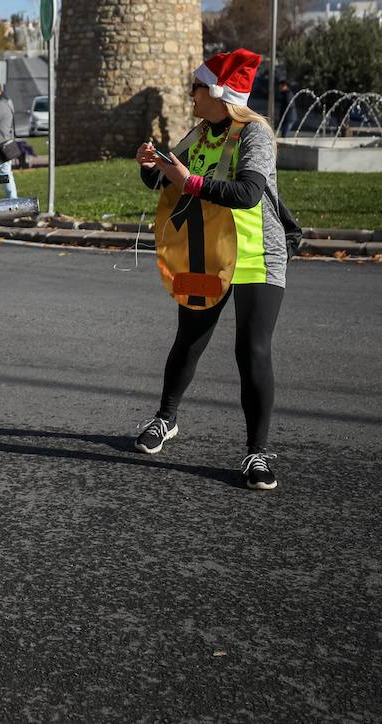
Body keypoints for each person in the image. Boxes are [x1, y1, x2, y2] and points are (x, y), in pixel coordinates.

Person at [135, 48, 288, 491]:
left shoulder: (255, 135)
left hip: (258, 255)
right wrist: (150, 165)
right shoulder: (200, 133)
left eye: (197, 88)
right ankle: (166, 418)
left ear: (219, 94)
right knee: (190, 339)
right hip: (207, 255)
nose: (191, 95)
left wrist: (191, 182)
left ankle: (257, 452)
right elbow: (164, 179)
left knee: (252, 350)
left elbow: (248, 193)